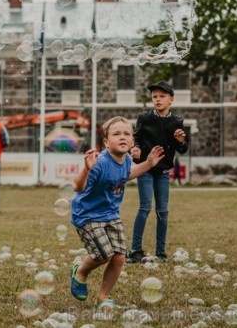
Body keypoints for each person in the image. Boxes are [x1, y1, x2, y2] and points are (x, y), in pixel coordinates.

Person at [69, 116, 164, 311]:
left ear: (132, 141)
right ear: (106, 142)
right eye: (116, 134)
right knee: (104, 255)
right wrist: (87, 169)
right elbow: (78, 187)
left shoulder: (127, 159)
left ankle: (103, 297)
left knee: (120, 256)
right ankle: (80, 272)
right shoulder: (100, 162)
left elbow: (127, 174)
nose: (122, 137)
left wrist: (148, 164)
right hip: (88, 216)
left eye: (127, 134)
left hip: (111, 214)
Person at [127, 80, 189, 264]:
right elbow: (136, 138)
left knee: (163, 211)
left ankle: (161, 253)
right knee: (144, 207)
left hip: (162, 173)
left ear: (171, 100)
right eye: (155, 97)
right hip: (145, 168)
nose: (158, 99)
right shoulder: (144, 118)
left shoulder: (176, 122)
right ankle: (136, 251)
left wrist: (180, 141)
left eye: (162, 96)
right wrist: (136, 148)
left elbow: (183, 149)